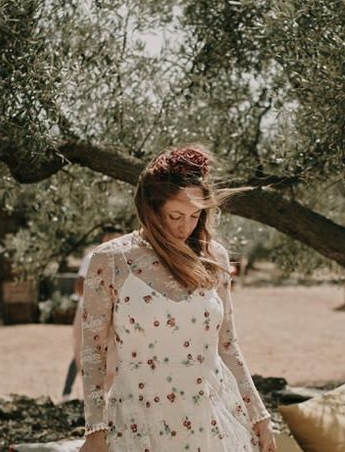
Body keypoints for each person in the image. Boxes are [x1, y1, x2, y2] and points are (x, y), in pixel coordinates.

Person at [79, 145, 277, 452]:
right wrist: (95, 427)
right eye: (175, 215)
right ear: (152, 209)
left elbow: (227, 345)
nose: (185, 227)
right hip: (138, 421)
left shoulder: (214, 257)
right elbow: (93, 349)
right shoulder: (111, 260)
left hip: (211, 419)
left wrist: (259, 416)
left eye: (195, 216)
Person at [62, 226, 125, 401]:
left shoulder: (123, 260)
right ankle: (70, 393)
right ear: (105, 238)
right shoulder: (92, 258)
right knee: (84, 353)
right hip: (89, 313)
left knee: (113, 355)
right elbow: (80, 287)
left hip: (112, 314)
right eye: (113, 237)